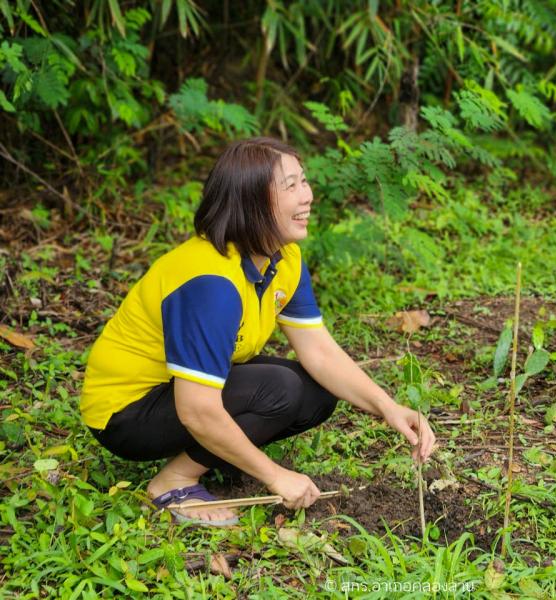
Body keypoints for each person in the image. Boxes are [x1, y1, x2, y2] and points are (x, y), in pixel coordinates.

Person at [80, 137, 436, 526]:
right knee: (278, 389)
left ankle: (217, 458)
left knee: (317, 392)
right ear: (253, 201)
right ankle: (175, 481)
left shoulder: (282, 258)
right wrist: (275, 475)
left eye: (305, 181)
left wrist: (388, 407)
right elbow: (196, 409)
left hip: (181, 390)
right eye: (292, 186)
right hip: (126, 412)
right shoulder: (210, 282)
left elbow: (318, 350)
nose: (308, 196)